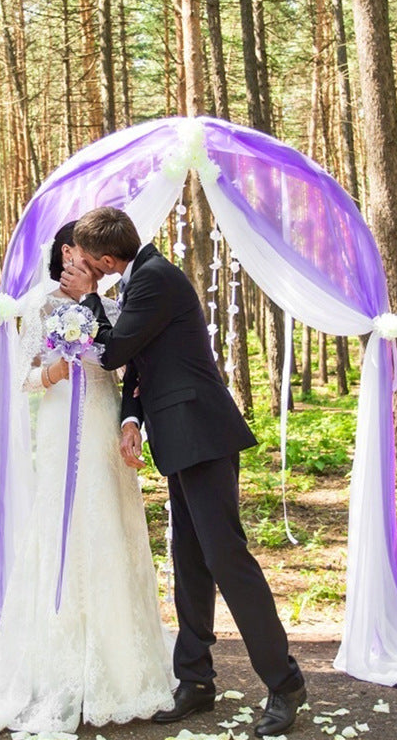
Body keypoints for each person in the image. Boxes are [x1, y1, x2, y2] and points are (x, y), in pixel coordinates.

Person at [0, 221, 175, 735]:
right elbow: (23, 376)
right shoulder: (38, 304)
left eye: (101, 257)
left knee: (109, 525)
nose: (98, 263)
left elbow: (126, 365)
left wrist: (127, 412)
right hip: (60, 424)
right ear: (67, 252)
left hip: (102, 417)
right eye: (87, 253)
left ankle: (121, 667)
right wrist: (52, 373)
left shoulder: (110, 302)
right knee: (63, 524)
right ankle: (55, 660)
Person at [60, 207, 307, 739]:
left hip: (204, 432)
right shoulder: (141, 277)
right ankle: (195, 680)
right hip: (179, 435)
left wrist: (87, 301)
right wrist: (132, 417)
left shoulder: (153, 280)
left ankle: (285, 683)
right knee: (190, 560)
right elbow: (143, 362)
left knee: (226, 558)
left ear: (105, 259)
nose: (84, 268)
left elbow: (113, 351)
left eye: (88, 262)